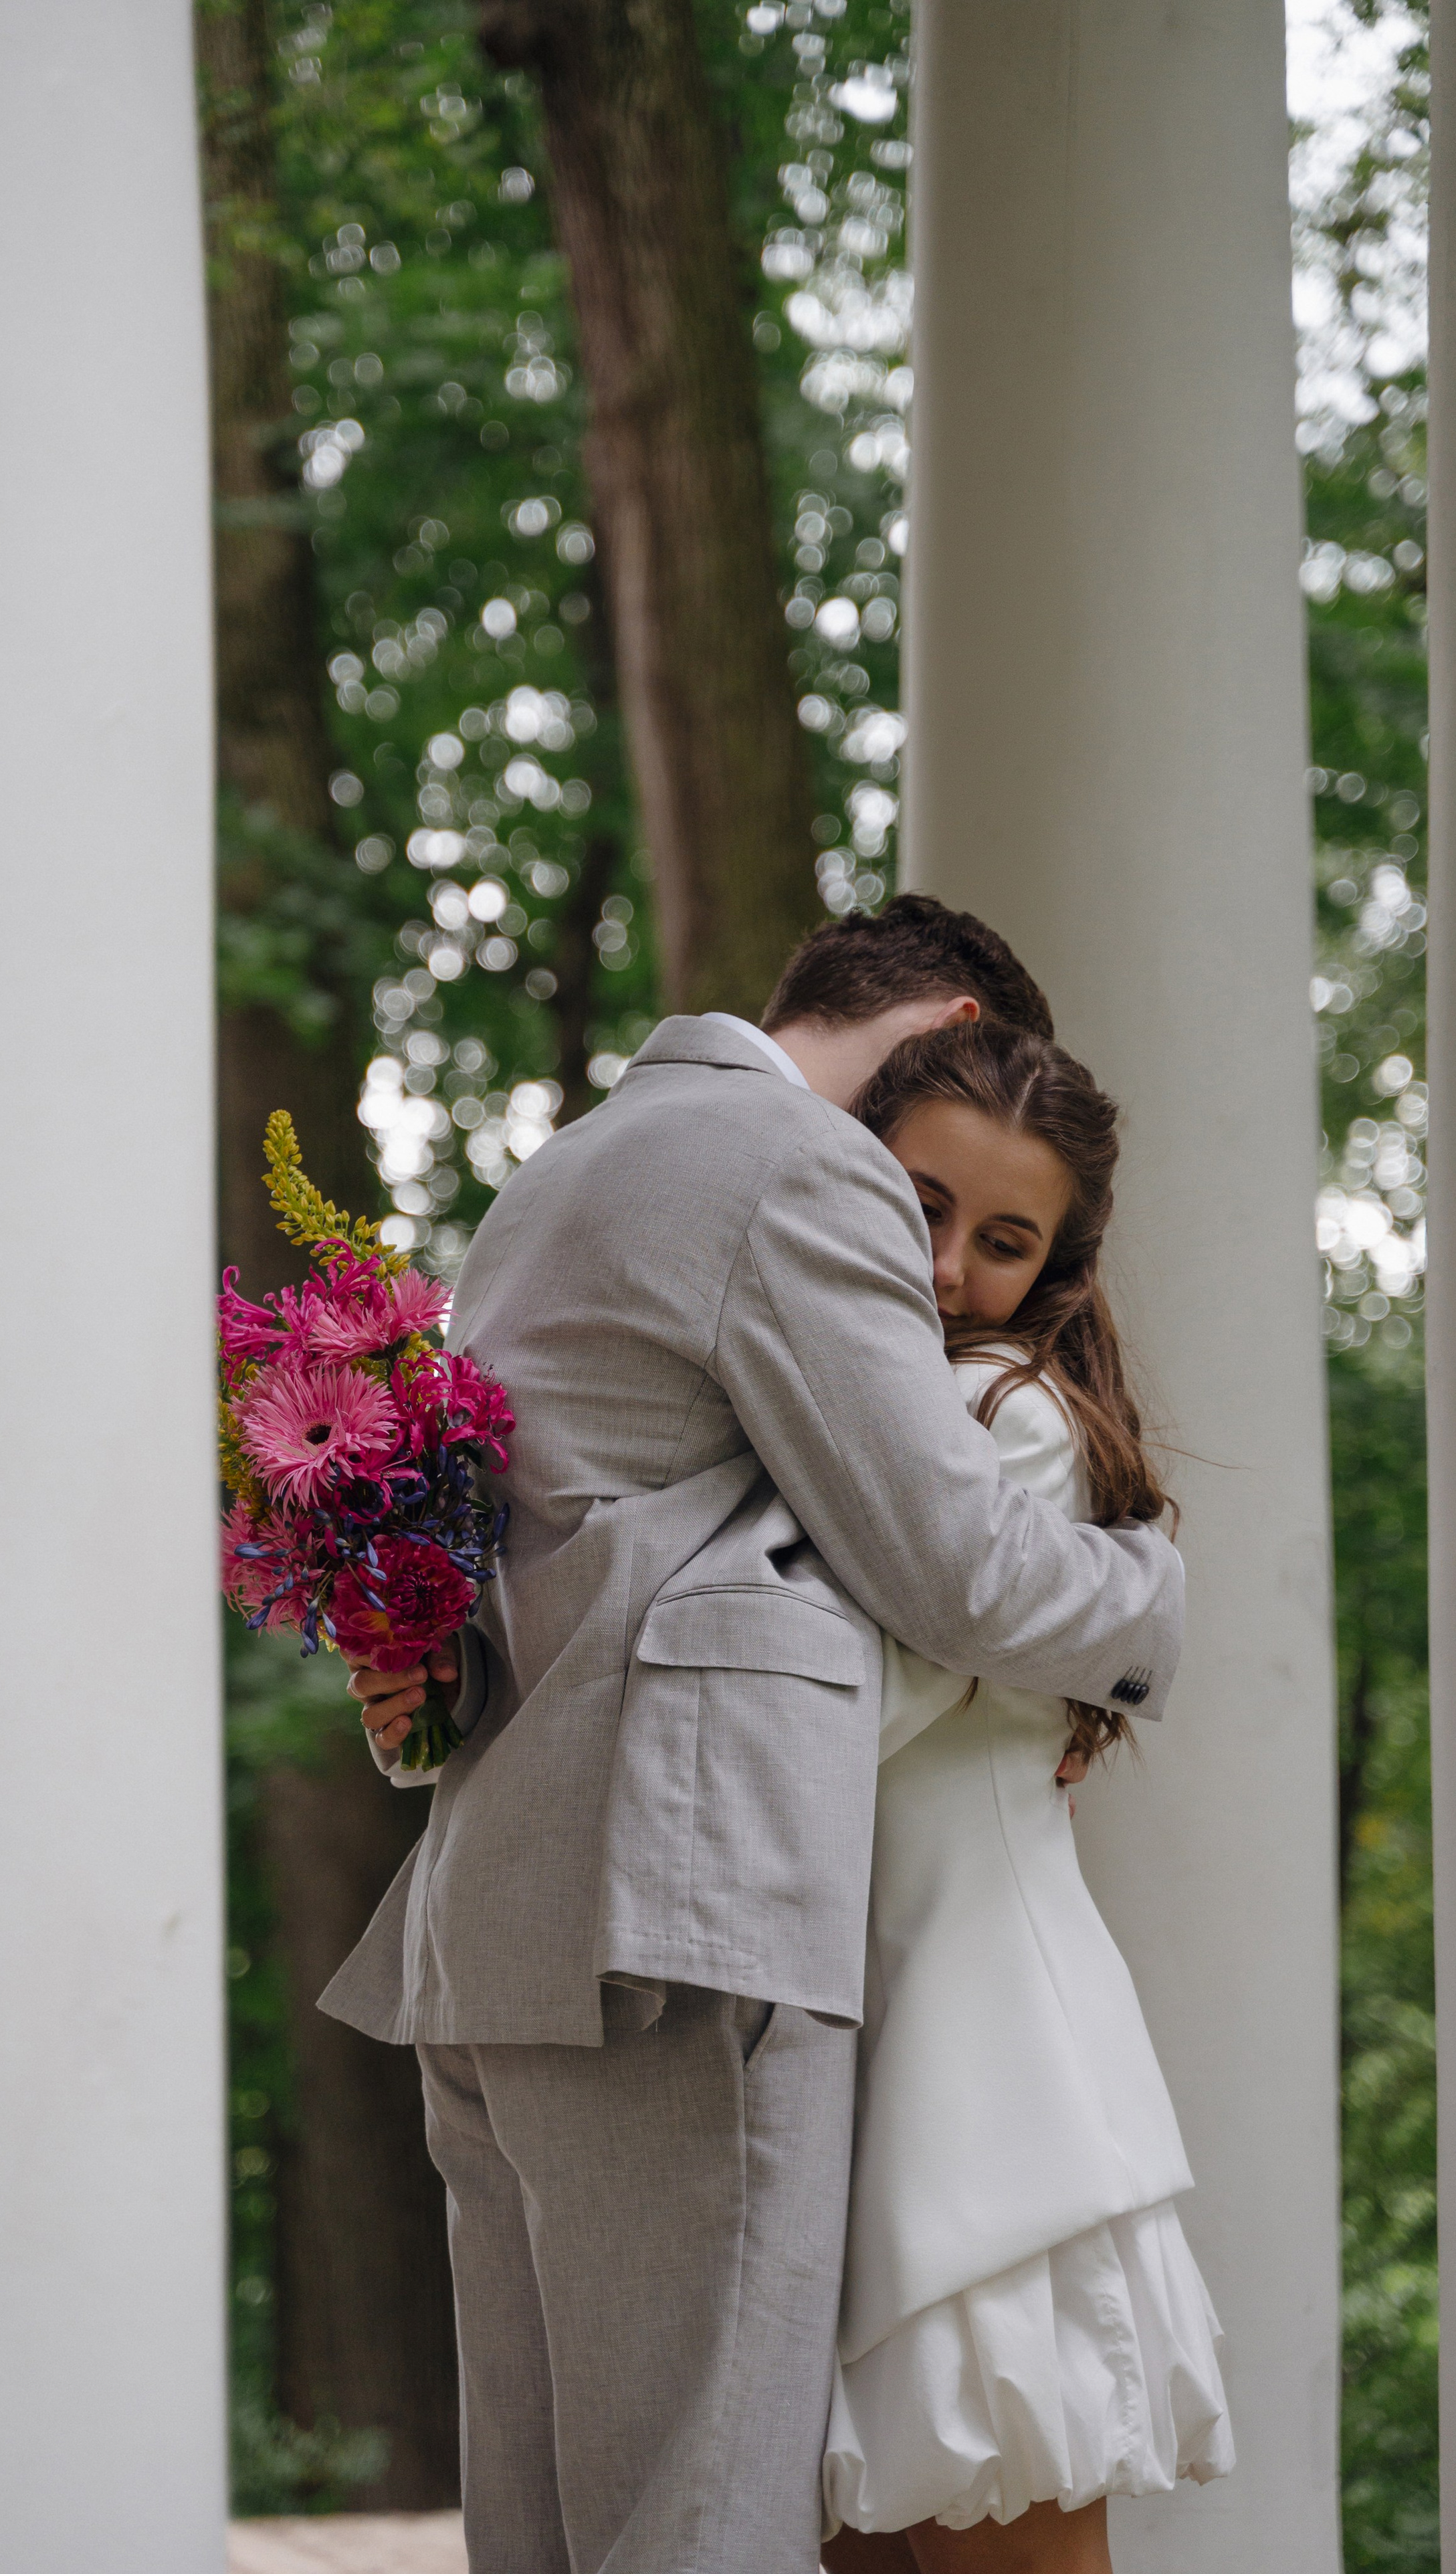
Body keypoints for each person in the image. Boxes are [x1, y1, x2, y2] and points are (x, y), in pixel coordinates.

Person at [321, 896, 1186, 2574]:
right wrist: (1146, 1606)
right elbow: (944, 1560)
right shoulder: (799, 1170)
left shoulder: (554, 1174)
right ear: (941, 1024)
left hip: (497, 1921)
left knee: (551, 2532)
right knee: (700, 2522)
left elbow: (506, 1594)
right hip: (682, 1918)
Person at [821, 1023, 1233, 2574]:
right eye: (916, 1204)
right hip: (870, 2043)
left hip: (978, 2072)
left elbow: (845, 1714)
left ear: (1056, 1267)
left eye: (1001, 1240)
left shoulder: (1002, 1417)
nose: (944, 1267)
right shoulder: (879, 1398)